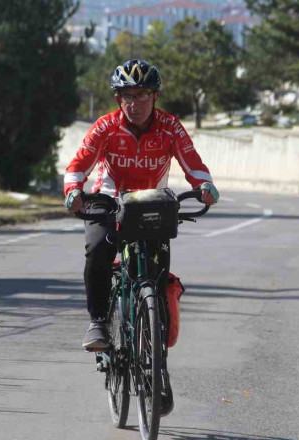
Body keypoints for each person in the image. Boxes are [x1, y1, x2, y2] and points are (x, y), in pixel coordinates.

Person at [63, 59, 219, 351]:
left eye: (143, 95)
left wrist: (205, 186)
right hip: (108, 199)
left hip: (151, 202)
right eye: (128, 96)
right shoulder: (105, 127)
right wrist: (73, 191)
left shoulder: (170, 127)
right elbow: (78, 165)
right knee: (98, 249)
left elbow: (193, 163)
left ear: (155, 97)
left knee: (158, 270)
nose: (136, 103)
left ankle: (155, 326)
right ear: (118, 99)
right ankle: (98, 321)